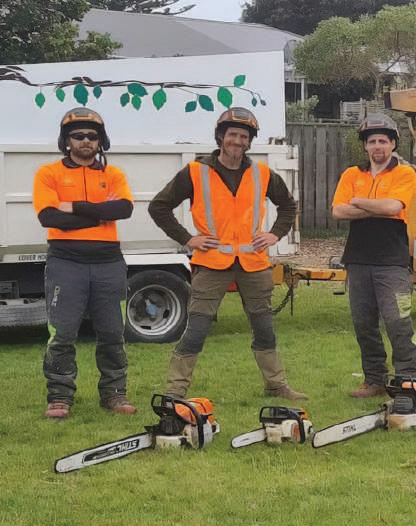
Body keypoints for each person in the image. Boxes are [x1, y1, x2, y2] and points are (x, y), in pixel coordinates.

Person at [148, 107, 306, 401]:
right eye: (232, 134)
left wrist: (274, 234)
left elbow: (288, 206)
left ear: (249, 141)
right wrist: (188, 239)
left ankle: (276, 385)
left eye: (244, 136)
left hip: (254, 263)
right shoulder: (195, 172)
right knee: (196, 329)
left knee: (264, 328)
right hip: (211, 263)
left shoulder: (262, 173)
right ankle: (175, 390)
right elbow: (159, 207)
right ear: (221, 137)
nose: (238, 141)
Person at [33, 108, 136, 419]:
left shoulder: (113, 174)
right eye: (78, 135)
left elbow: (124, 209)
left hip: (108, 262)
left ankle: (114, 394)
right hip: (66, 262)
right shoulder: (48, 173)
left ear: (100, 140)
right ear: (67, 140)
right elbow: (49, 217)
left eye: (92, 136)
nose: (86, 141)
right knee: (62, 333)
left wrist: (75, 207)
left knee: (112, 332)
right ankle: (59, 396)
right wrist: (98, 214)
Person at [332, 114, 416, 397]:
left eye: (383, 140)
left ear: (393, 144)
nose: (377, 146)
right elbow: (338, 211)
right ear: (365, 146)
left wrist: (358, 202)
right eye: (372, 141)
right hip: (358, 259)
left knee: (398, 321)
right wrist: (375, 207)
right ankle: (374, 380)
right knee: (364, 324)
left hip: (392, 261)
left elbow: (394, 207)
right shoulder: (351, 174)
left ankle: (408, 379)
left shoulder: (404, 174)